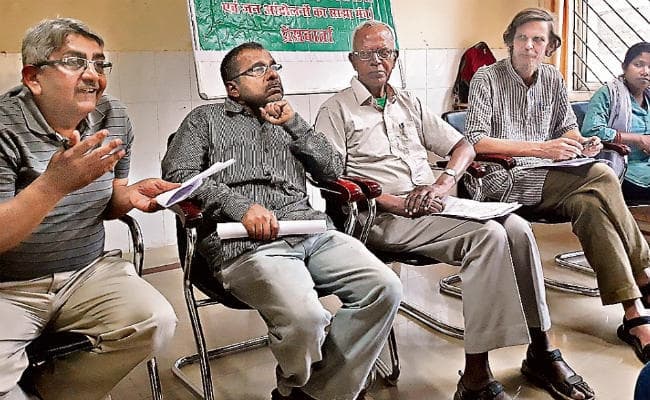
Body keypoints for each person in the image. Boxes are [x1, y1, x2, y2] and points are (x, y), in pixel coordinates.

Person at [315, 20, 593, 400]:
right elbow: (332, 177)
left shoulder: (408, 103)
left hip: (432, 201)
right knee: (488, 236)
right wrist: (397, 202)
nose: (377, 61)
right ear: (352, 60)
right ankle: (476, 376)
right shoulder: (335, 110)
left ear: (395, 57)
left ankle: (540, 350)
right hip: (381, 215)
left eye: (385, 52)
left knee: (516, 229)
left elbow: (464, 145)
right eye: (367, 54)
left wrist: (444, 182)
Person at [161, 41, 402, 400]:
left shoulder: (289, 121)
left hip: (311, 231)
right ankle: (305, 388)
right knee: (307, 318)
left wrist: (295, 125)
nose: (272, 74)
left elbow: (332, 171)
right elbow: (178, 175)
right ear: (233, 88)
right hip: (245, 242)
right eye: (258, 69)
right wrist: (239, 206)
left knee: (384, 287)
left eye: (274, 66)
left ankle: (312, 392)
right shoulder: (204, 120)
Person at [0, 18, 178, 400]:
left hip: (87, 272)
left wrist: (131, 195)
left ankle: (48, 391)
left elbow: (111, 201)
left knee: (155, 321)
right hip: (9, 287)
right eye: (74, 61)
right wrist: (54, 184)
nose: (93, 75)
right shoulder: (3, 127)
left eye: (99, 63)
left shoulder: (113, 117)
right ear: (33, 77)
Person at [465, 8, 650, 366]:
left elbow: (567, 126)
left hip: (551, 174)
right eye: (522, 38)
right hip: (502, 178)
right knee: (602, 174)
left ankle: (633, 314)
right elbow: (476, 141)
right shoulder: (486, 78)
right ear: (510, 41)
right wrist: (542, 149)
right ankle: (643, 272)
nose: (529, 46)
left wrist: (582, 142)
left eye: (538, 40)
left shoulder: (552, 76)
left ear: (550, 46)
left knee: (591, 205)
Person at [582, 42, 650, 201]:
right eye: (638, 65)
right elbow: (591, 130)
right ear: (624, 67)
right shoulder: (608, 94)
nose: (645, 71)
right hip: (621, 168)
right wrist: (639, 139)